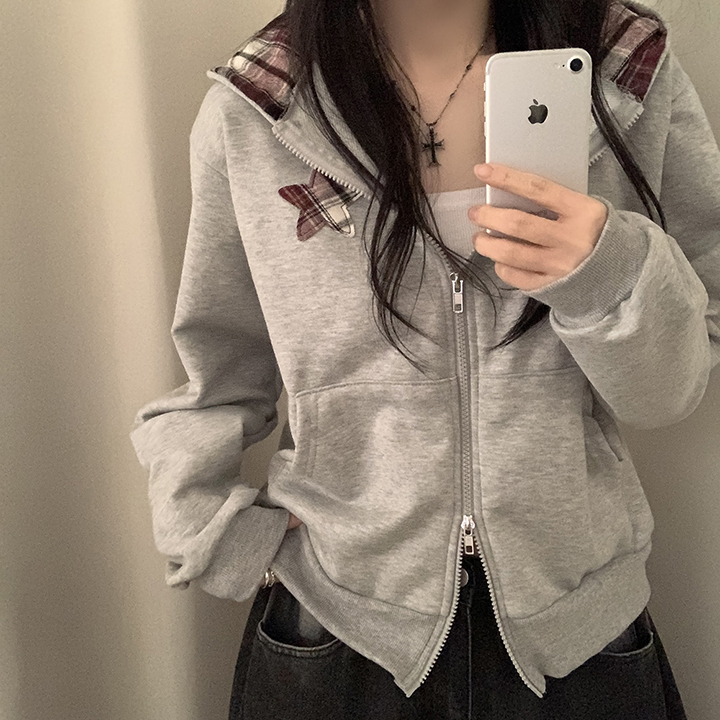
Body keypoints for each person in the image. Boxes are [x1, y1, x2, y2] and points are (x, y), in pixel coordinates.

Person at [129, 0, 720, 716]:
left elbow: (670, 389)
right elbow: (214, 373)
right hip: (337, 630)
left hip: (581, 634)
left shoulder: (625, 75)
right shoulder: (261, 109)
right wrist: (215, 533)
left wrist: (607, 268)